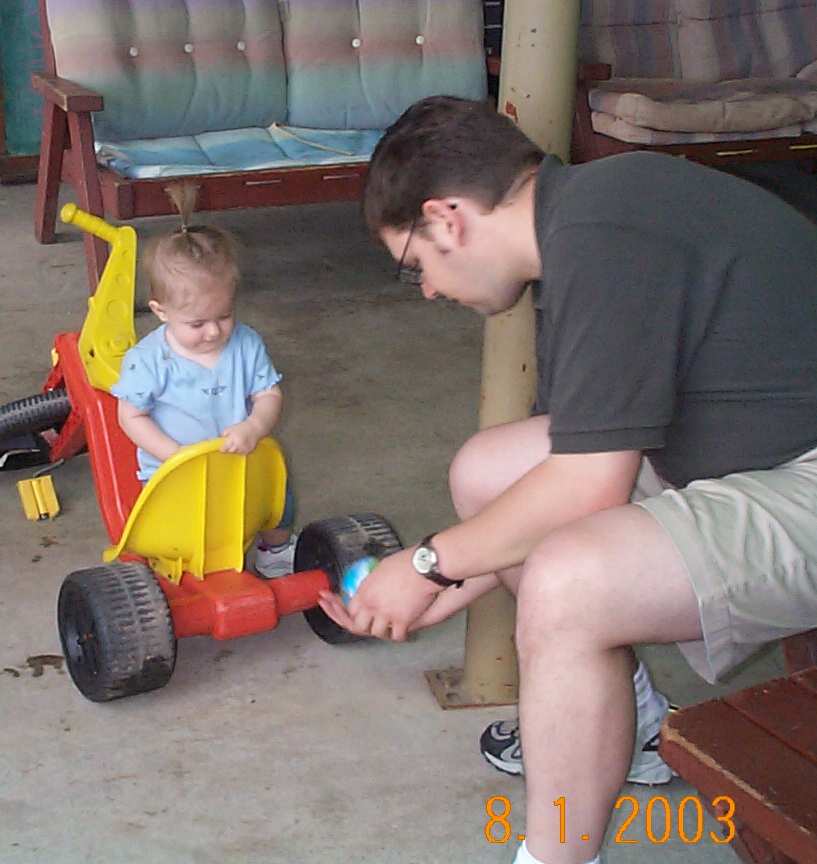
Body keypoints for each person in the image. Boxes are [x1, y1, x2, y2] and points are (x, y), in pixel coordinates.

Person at [317, 96, 817, 864]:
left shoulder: (608, 231)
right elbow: (556, 481)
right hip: (764, 453)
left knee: (569, 584)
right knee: (490, 473)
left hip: (804, 473)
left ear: (447, 219)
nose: (428, 290)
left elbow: (586, 489)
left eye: (414, 265)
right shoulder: (581, 224)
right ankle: (630, 723)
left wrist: (426, 565)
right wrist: (432, 587)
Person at [110, 186, 296, 578]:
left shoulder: (246, 343)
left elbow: (268, 394)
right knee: (183, 527)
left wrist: (254, 426)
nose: (213, 331)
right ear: (161, 311)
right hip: (174, 472)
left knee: (280, 500)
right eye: (197, 323)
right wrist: (175, 456)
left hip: (238, 460)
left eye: (224, 315)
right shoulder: (148, 360)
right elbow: (131, 416)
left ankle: (275, 552)